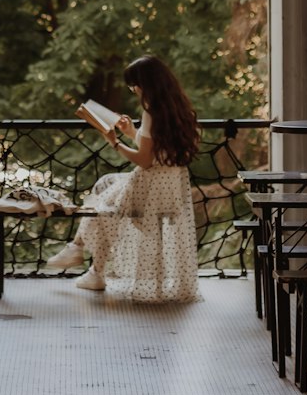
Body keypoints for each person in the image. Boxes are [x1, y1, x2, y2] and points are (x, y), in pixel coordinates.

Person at [45, 54, 201, 302]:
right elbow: (160, 152)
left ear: (144, 84)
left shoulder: (151, 112)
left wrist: (114, 141)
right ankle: (83, 258)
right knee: (105, 184)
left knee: (102, 209)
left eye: (134, 85)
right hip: (171, 186)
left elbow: (144, 161)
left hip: (150, 187)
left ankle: (87, 261)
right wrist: (131, 132)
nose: (134, 90)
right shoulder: (181, 109)